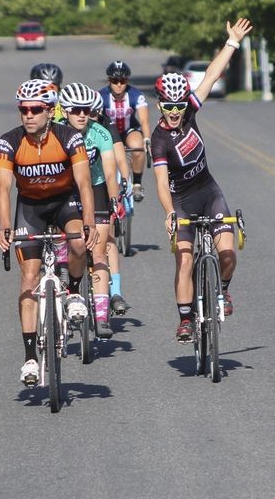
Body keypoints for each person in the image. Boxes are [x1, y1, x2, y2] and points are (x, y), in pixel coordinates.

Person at [151, 18, 252, 343]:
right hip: (182, 202)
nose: (176, 111)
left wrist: (233, 42)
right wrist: (170, 212)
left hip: (209, 193)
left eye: (180, 105)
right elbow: (161, 182)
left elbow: (210, 75)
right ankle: (184, 319)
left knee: (228, 254)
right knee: (183, 260)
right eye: (169, 106)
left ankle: (222, 291)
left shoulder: (191, 112)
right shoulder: (159, 140)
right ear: (159, 105)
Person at [0, 79, 97, 386]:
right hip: (30, 208)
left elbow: (83, 183)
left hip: (65, 202)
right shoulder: (9, 141)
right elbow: (2, 188)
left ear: (50, 112)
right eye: (24, 110)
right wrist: (4, 227)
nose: (28, 115)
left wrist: (89, 221)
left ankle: (76, 290)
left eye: (36, 110)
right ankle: (29, 357)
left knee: (79, 242)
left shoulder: (70, 137)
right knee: (29, 277)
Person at [59, 82, 123, 339]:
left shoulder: (100, 133)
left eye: (86, 109)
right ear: (64, 111)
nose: (82, 114)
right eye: (76, 109)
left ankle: (100, 315)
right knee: (63, 245)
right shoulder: (55, 133)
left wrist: (115, 199)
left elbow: (110, 172)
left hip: (95, 190)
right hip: (65, 192)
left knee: (98, 251)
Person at [92, 87, 132, 319]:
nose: (91, 117)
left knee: (108, 239)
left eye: (96, 113)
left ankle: (115, 292)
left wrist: (125, 179)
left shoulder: (106, 128)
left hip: (101, 185)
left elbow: (118, 158)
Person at [99, 60, 151, 202]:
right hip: (109, 131)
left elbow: (144, 120)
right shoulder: (101, 96)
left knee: (137, 145)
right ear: (109, 80)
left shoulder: (135, 94)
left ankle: (137, 183)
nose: (119, 84)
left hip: (129, 129)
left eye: (123, 80)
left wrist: (147, 139)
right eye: (115, 80)